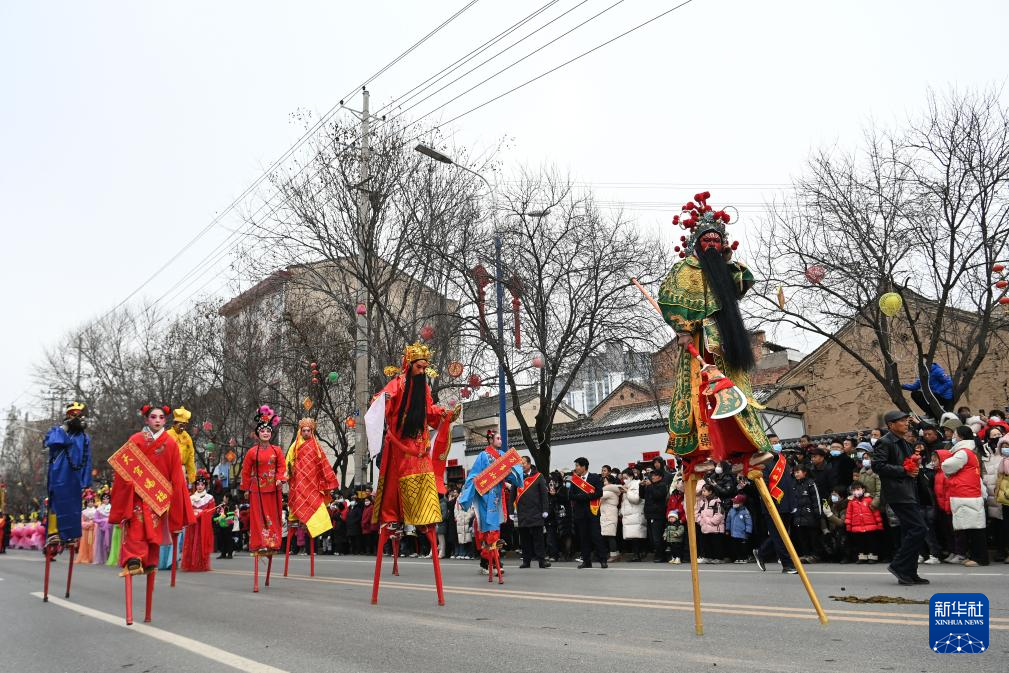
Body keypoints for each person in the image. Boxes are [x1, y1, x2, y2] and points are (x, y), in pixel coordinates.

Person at [656, 192, 772, 471]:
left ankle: (746, 449)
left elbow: (745, 281)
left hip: (727, 340)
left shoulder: (725, 266)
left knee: (735, 391)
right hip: (698, 339)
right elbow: (668, 299)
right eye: (706, 240)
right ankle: (699, 455)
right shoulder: (684, 268)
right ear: (697, 242)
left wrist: (729, 260)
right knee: (700, 393)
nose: (711, 244)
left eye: (716, 240)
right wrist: (683, 329)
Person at [108, 404, 195, 577]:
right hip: (138, 494)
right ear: (147, 419)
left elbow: (176, 474)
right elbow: (123, 469)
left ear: (165, 420)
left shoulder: (170, 444)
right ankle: (133, 558)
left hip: (158, 495)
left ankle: (149, 560)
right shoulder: (136, 439)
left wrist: (177, 498)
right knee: (137, 525)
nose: (157, 420)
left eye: (161, 417)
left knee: (154, 528)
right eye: (153, 417)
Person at [872, 410, 929, 585]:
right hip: (898, 493)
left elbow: (907, 466)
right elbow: (878, 466)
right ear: (891, 425)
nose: (906, 423)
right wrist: (904, 471)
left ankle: (909, 572)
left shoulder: (904, 442)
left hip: (908, 491)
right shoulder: (885, 442)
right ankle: (899, 565)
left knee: (910, 531)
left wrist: (914, 470)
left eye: (906, 420)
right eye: (902, 421)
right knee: (919, 529)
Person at [459, 431, 524, 574]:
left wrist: (515, 475)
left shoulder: (502, 456)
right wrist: (470, 491)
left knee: (494, 529)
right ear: (490, 440)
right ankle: (494, 561)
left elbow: (510, 472)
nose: (501, 441)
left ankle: (486, 560)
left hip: (498, 496)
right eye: (498, 438)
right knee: (491, 530)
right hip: (485, 497)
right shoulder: (483, 456)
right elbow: (474, 475)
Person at [937, 426, 988, 567]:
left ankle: (980, 558)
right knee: (971, 528)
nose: (953, 437)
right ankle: (975, 556)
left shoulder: (963, 452)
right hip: (969, 493)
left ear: (960, 437)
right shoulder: (969, 451)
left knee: (974, 529)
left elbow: (947, 465)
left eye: (954, 434)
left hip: (966, 495)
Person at [44, 402, 92, 549]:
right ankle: (54, 534)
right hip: (59, 474)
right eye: (73, 414)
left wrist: (86, 482)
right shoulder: (57, 431)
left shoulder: (85, 437)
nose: (76, 417)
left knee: (74, 505)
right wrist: (64, 429)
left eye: (79, 414)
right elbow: (50, 442)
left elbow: (87, 458)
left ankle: (70, 535)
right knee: (56, 502)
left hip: (75, 476)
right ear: (67, 416)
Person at [240, 406, 287, 555]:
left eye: (268, 431)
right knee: (258, 517)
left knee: (273, 516)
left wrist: (280, 479)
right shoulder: (252, 452)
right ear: (257, 434)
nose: (265, 433)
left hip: (273, 489)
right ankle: (260, 542)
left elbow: (282, 466)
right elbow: (246, 471)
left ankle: (272, 543)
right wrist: (246, 489)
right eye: (262, 431)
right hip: (257, 490)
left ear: (271, 433)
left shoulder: (277, 450)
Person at [286, 418, 340, 543]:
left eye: (308, 430)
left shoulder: (317, 447)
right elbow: (289, 461)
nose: (306, 433)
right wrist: (290, 471)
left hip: (313, 482)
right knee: (299, 501)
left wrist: (327, 479)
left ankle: (309, 524)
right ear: (300, 431)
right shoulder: (294, 446)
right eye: (304, 430)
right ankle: (299, 521)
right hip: (299, 481)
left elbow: (323, 464)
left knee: (315, 503)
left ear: (312, 431)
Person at [567, 457, 607, 568]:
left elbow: (599, 493)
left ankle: (603, 560)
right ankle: (586, 561)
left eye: (577, 466)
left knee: (596, 536)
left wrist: (584, 496)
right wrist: (581, 497)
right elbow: (570, 495)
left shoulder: (594, 477)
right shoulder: (575, 480)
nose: (576, 468)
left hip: (592, 512)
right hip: (580, 513)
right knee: (583, 538)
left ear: (584, 466)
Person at [514, 455, 551, 569]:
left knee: (538, 539)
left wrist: (545, 509)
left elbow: (544, 495)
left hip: (536, 512)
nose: (522, 465)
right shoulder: (517, 477)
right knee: (525, 540)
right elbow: (512, 496)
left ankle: (542, 561)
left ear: (529, 464)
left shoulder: (538, 476)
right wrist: (511, 511)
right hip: (522, 512)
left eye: (523, 463)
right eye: (520, 463)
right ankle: (526, 561)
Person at [182, 470, 215, 571]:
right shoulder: (191, 498)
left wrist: (203, 513)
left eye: (202, 484)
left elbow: (211, 511)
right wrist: (194, 513)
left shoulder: (210, 498)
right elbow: (187, 510)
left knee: (201, 543)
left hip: (203, 525)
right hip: (193, 523)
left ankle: (201, 564)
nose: (200, 486)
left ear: (205, 486)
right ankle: (190, 563)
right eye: (198, 484)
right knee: (191, 542)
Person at [790, 463, 823, 562]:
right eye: (795, 472)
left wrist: (818, 513)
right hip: (798, 515)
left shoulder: (810, 483)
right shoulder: (793, 484)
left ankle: (815, 555)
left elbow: (816, 499)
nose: (796, 474)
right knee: (801, 537)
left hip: (810, 515)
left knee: (812, 537)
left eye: (798, 472)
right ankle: (805, 554)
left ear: (804, 473)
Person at [846, 481, 883, 563]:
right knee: (860, 543)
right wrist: (848, 525)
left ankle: (872, 557)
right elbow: (849, 514)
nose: (856, 491)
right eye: (854, 490)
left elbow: (875, 512)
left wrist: (879, 523)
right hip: (857, 526)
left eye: (858, 489)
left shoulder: (869, 499)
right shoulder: (851, 502)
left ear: (863, 489)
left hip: (870, 526)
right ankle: (862, 557)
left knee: (871, 542)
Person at [618, 467, 647, 561]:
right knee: (632, 536)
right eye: (623, 478)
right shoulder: (627, 486)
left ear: (631, 476)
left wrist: (627, 491)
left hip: (636, 513)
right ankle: (637, 554)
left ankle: (637, 555)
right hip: (629, 514)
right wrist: (621, 511)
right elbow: (624, 501)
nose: (624, 480)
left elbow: (636, 499)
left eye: (625, 477)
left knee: (636, 536)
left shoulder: (637, 484)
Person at [695, 482, 726, 563]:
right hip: (705, 526)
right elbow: (698, 512)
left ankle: (718, 558)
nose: (703, 492)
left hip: (715, 527)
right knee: (706, 543)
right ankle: (708, 557)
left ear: (710, 491)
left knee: (716, 543)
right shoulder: (702, 502)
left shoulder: (716, 501)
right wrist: (700, 521)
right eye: (702, 491)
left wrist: (712, 522)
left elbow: (720, 513)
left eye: (704, 491)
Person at [599, 473, 622, 562]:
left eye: (605, 481)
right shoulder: (610, 490)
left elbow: (599, 496)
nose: (603, 482)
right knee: (608, 536)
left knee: (610, 536)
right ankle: (615, 553)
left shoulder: (608, 492)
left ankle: (614, 554)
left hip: (609, 515)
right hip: (607, 515)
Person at [726, 494, 753, 563]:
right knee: (735, 546)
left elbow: (748, 523)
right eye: (733, 502)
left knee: (742, 547)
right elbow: (728, 521)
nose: (734, 504)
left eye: (736, 502)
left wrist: (748, 532)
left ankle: (744, 557)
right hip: (733, 533)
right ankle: (738, 557)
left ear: (741, 503)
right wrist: (727, 529)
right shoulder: (731, 510)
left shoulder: (745, 512)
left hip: (742, 534)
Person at [75, 490, 97, 564]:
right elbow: (81, 522)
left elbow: (97, 521)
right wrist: (88, 524)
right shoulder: (83, 512)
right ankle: (85, 557)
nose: (90, 503)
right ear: (86, 503)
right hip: (86, 531)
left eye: (91, 501)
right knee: (84, 544)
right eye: (89, 501)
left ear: (94, 502)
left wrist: (93, 523)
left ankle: (92, 558)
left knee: (93, 544)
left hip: (93, 530)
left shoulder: (97, 511)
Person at [93, 489, 112, 564]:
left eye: (107, 498)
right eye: (104, 498)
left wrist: (108, 521)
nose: (105, 500)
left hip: (110, 528)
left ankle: (109, 558)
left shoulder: (112, 508)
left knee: (110, 542)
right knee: (100, 543)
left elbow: (113, 517)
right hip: (101, 528)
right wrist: (103, 521)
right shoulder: (99, 509)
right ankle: (101, 558)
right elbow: (95, 519)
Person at [214, 494, 236, 559]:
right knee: (222, 539)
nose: (223, 498)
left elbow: (231, 514)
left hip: (229, 524)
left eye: (224, 497)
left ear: (227, 498)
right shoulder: (222, 505)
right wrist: (218, 516)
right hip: (222, 524)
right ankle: (223, 553)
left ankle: (229, 554)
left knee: (228, 539)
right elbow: (219, 512)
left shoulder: (231, 505)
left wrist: (222, 517)